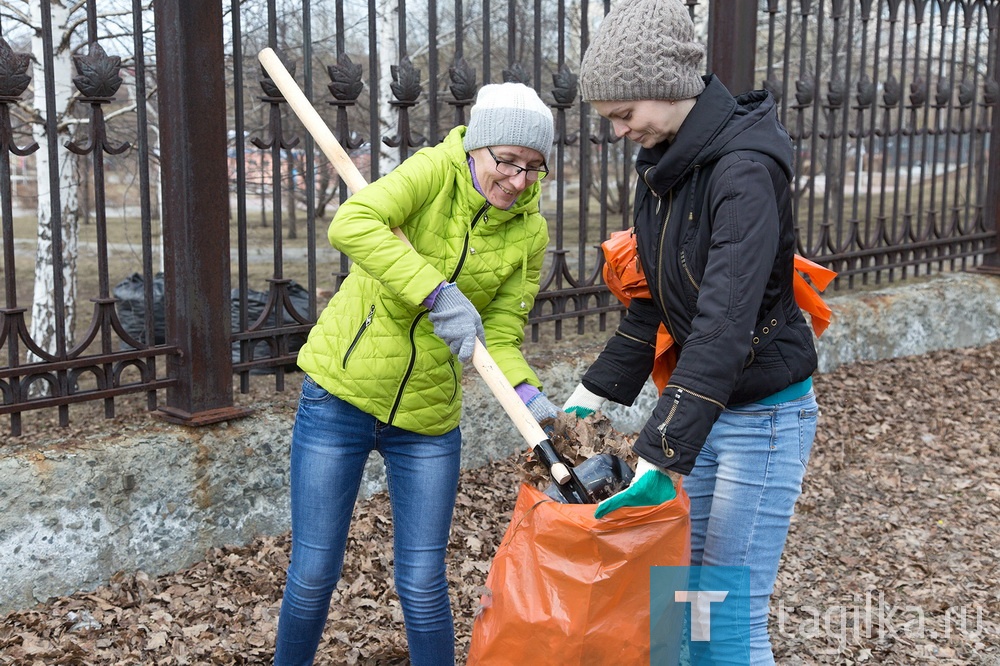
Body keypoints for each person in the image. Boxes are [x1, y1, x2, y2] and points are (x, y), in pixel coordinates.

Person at [563, 0, 820, 663]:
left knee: (726, 624)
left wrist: (660, 449)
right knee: (682, 609)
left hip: (760, 419)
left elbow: (723, 324)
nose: (620, 132)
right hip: (705, 412)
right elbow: (657, 296)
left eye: (625, 115)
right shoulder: (665, 164)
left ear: (670, 82)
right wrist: (594, 392)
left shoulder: (744, 170)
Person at [272, 82, 559, 666]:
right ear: (477, 149)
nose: (518, 180)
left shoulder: (529, 232)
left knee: (424, 581)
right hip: (341, 395)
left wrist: (526, 391)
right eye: (507, 161)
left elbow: (498, 336)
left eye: (534, 167)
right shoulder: (432, 172)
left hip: (427, 418)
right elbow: (354, 223)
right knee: (313, 572)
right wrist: (435, 293)